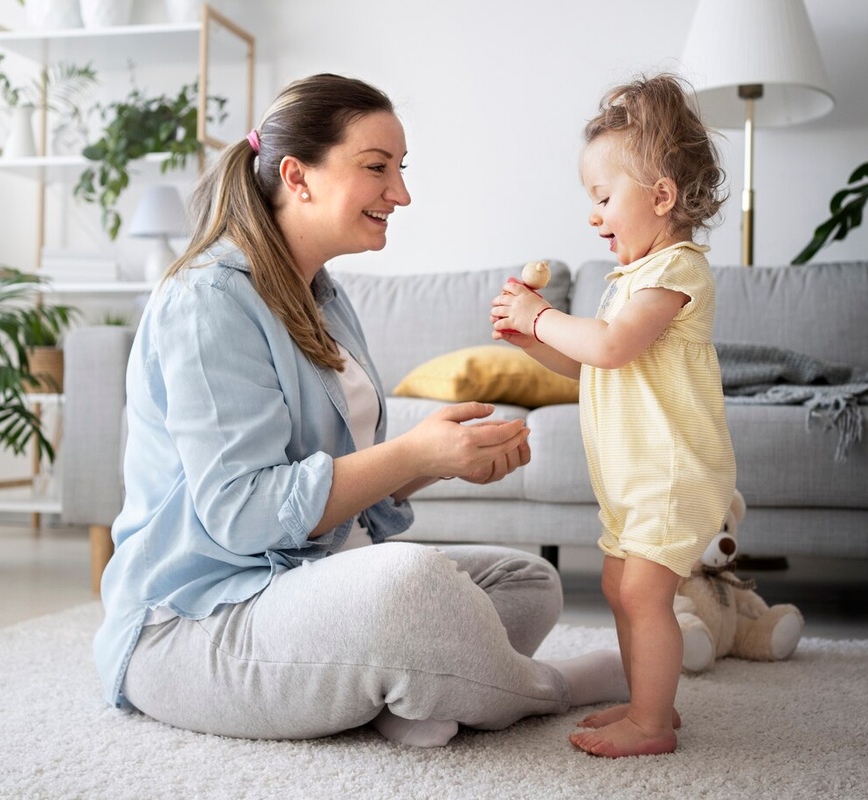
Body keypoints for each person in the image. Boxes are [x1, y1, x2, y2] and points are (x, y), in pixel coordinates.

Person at [93, 73, 629, 748]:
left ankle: (394, 688)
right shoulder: (207, 303)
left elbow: (333, 482)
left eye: (400, 170)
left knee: (528, 581)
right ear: (298, 175)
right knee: (408, 586)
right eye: (377, 168)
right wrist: (413, 453)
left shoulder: (325, 296)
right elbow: (244, 513)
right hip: (197, 621)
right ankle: (551, 685)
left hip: (307, 585)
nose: (401, 194)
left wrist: (442, 462)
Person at [491, 73, 736, 758]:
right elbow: (592, 362)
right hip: (632, 476)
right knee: (618, 585)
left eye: (604, 198)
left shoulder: (677, 271)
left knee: (643, 592)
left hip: (671, 471)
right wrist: (533, 340)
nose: (594, 216)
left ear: (661, 197)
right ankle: (647, 702)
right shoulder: (626, 281)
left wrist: (542, 313)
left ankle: (652, 728)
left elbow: (609, 343)